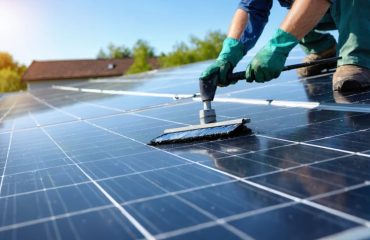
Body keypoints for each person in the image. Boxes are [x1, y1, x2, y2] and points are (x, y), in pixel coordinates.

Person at [200, 0, 370, 92]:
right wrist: (228, 56)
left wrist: (277, 47)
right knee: (294, 11)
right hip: (328, 9)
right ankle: (323, 49)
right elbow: (251, 9)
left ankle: (357, 58)